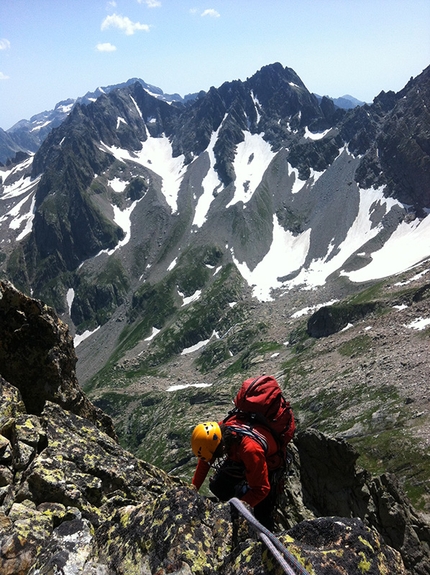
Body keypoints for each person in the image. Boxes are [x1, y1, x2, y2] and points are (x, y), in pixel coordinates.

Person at [190, 414, 287, 530]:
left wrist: (236, 510)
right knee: (218, 487)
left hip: (264, 466)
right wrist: (192, 489)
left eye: (215, 455)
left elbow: (262, 489)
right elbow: (205, 462)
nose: (213, 459)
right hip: (239, 458)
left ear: (222, 448)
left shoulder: (250, 450)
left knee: (262, 515)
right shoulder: (219, 433)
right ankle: (240, 493)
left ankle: (265, 539)